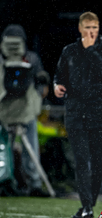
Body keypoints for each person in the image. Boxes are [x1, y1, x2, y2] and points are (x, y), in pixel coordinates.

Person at [54, 12, 102, 218]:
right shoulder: (69, 51)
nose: (92, 32)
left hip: (99, 114)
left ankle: (88, 205)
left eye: (95, 28)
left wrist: (91, 51)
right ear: (80, 28)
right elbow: (60, 76)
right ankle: (87, 206)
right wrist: (57, 86)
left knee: (97, 161)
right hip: (75, 113)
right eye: (88, 28)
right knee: (81, 159)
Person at [0, 24, 50, 197]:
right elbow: (42, 89)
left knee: (27, 142)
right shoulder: (29, 57)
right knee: (8, 144)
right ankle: (19, 182)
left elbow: (41, 86)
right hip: (6, 109)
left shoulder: (31, 58)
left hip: (21, 109)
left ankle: (32, 183)